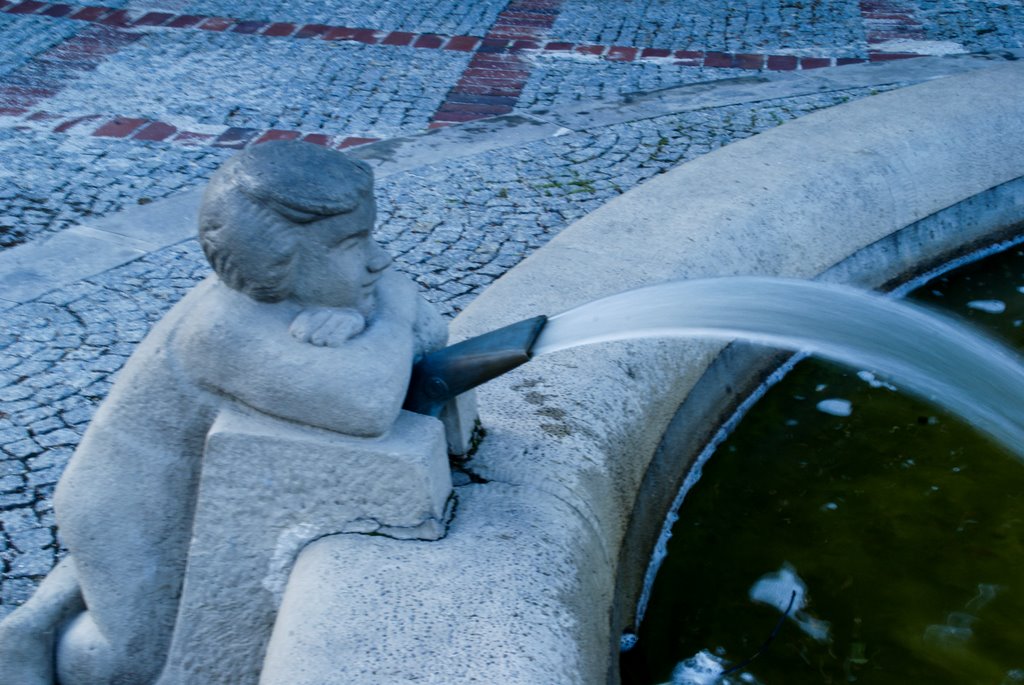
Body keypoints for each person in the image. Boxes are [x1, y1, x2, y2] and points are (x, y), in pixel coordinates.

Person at [0, 141, 446, 684]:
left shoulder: (295, 296)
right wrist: (388, 312)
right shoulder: (221, 330)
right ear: (275, 261)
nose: (381, 259)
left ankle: (53, 606)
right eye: (352, 243)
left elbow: (431, 335)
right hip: (124, 504)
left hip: (180, 489)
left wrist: (353, 318)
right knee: (126, 662)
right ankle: (28, 638)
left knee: (141, 619)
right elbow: (367, 403)